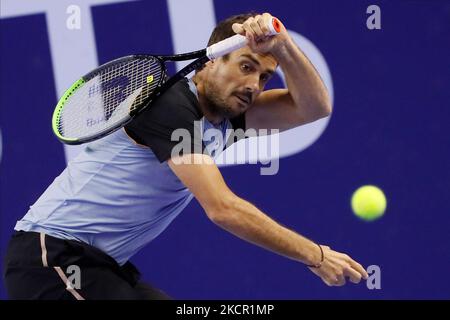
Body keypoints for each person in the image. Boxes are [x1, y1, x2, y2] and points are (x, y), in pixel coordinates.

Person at [3, 12, 368, 300]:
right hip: (49, 258)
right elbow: (223, 209)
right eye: (246, 67)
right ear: (211, 62)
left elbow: (314, 108)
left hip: (101, 265)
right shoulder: (170, 107)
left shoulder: (230, 112)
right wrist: (315, 255)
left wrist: (284, 46)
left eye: (265, 77)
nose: (254, 86)